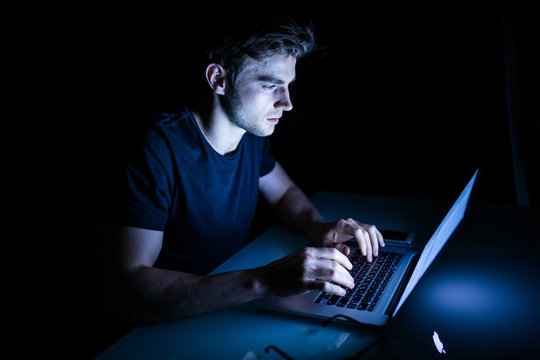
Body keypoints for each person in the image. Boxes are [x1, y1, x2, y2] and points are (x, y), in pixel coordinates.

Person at [99, 17, 385, 326]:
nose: (287, 103)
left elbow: (284, 193)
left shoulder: (250, 134)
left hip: (229, 307)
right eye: (269, 85)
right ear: (218, 79)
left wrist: (318, 227)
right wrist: (262, 282)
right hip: (169, 324)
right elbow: (131, 285)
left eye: (288, 86)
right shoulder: (157, 148)